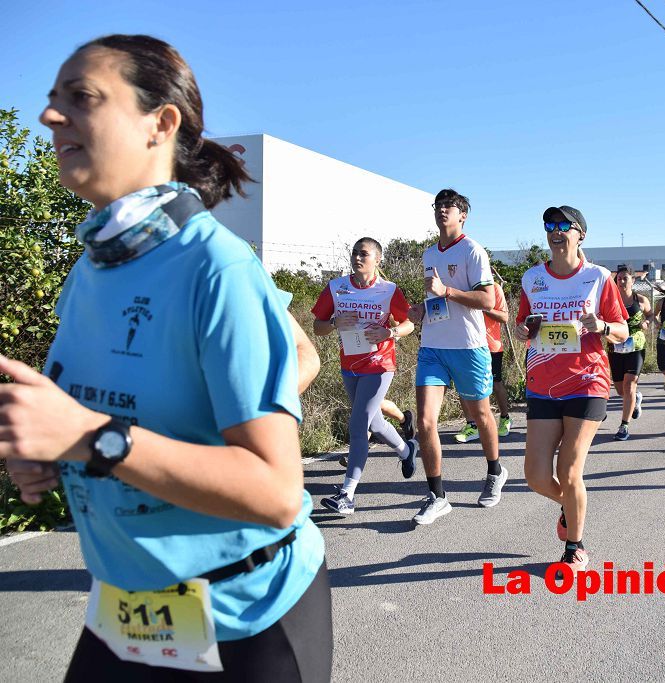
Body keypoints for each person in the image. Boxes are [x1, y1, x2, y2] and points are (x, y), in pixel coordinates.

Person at [2, 35, 331, 680]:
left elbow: (276, 491)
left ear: (162, 123)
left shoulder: (217, 268)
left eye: (81, 98)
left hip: (245, 614)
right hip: (125, 604)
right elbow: (97, 414)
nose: (50, 116)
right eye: (50, 99)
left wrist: (93, 439)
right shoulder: (93, 265)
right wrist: (46, 451)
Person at [515, 205, 627, 575]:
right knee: (535, 475)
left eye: (565, 225)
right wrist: (525, 329)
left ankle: (575, 546)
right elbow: (521, 326)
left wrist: (603, 326)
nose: (555, 230)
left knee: (570, 468)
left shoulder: (598, 277)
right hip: (543, 382)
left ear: (581, 234)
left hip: (587, 380)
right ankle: (571, 506)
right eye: (549, 224)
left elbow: (622, 332)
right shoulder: (532, 278)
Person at [406, 189, 505, 525]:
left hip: (468, 346)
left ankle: (494, 470)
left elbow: (488, 300)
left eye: (449, 206)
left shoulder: (473, 250)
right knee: (425, 422)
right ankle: (437, 496)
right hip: (433, 346)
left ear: (463, 215)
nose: (442, 211)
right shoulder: (428, 253)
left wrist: (447, 291)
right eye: (438, 206)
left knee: (480, 416)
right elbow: (435, 299)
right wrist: (422, 308)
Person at [311, 238, 418, 516]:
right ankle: (406, 451)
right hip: (350, 365)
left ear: (377, 260)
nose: (358, 258)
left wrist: (390, 332)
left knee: (358, 426)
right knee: (376, 420)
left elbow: (409, 323)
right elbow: (317, 327)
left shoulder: (389, 290)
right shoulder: (337, 287)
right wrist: (334, 323)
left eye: (364, 254)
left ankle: (347, 495)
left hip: (380, 365)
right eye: (355, 253)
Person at [454, 275, 514, 442]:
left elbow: (504, 317)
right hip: (465, 345)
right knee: (463, 386)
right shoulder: (461, 286)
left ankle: (505, 417)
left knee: (495, 384)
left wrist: (483, 306)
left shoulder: (494, 288)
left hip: (491, 346)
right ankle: (472, 426)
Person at [608, 265, 651, 441]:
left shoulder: (640, 300)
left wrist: (647, 322)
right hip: (616, 346)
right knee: (620, 389)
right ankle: (636, 399)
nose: (622, 281)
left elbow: (650, 315)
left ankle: (624, 425)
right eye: (619, 278)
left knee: (629, 385)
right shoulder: (610, 301)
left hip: (636, 346)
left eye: (626, 278)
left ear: (633, 280)